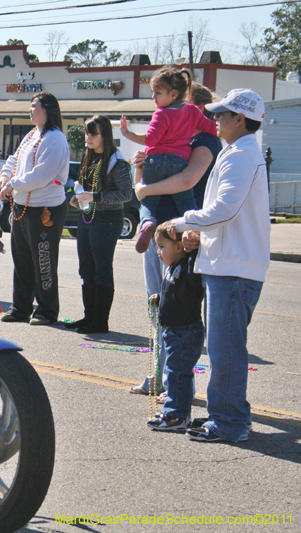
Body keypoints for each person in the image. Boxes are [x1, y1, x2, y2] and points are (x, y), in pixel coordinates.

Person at [165, 88, 269, 443]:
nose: (216, 119)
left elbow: (226, 209)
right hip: (229, 265)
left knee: (225, 351)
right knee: (225, 348)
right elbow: (227, 217)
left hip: (233, 271)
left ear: (240, 119)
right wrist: (199, 234)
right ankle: (224, 416)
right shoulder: (237, 152)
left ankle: (230, 422)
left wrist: (182, 223)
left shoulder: (240, 156)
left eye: (223, 114)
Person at [129, 83, 222, 397]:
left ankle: (176, 382)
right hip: (159, 229)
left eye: (181, 105)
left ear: (194, 106)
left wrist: (143, 191)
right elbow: (147, 164)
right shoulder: (174, 137)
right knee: (156, 304)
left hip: (182, 233)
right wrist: (142, 166)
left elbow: (186, 180)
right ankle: (159, 374)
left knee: (176, 311)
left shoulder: (206, 140)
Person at [120, 67, 217, 253]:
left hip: (155, 162)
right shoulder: (192, 112)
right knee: (186, 202)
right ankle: (192, 226)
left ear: (173, 94)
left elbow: (151, 139)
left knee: (148, 203)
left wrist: (128, 133)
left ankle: (147, 222)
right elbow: (212, 127)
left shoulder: (161, 114)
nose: (153, 97)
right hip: (179, 162)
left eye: (157, 93)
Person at [0, 92, 69, 326]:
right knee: (22, 260)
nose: (30, 110)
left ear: (47, 110)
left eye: (34, 106)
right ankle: (20, 308)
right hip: (21, 207)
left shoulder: (55, 139)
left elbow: (42, 175)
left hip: (45, 209)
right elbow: (14, 159)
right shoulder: (31, 135)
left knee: (43, 261)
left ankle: (47, 311)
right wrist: (5, 176)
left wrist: (11, 184)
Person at [65, 115, 132, 334]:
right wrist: (78, 198)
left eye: (93, 134)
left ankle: (100, 321)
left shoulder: (116, 161)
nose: (88, 137)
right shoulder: (89, 157)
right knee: (86, 268)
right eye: (87, 133)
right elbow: (86, 190)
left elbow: (125, 194)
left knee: (101, 269)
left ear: (105, 136)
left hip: (108, 219)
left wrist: (94, 197)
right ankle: (89, 316)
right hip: (88, 217)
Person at [146, 222, 204, 432]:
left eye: (162, 247)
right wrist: (160, 298)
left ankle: (176, 415)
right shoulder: (172, 268)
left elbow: (190, 292)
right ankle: (177, 413)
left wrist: (194, 249)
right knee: (174, 371)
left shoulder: (189, 266)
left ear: (179, 247)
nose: (158, 252)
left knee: (178, 373)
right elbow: (174, 294)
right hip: (174, 331)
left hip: (186, 331)